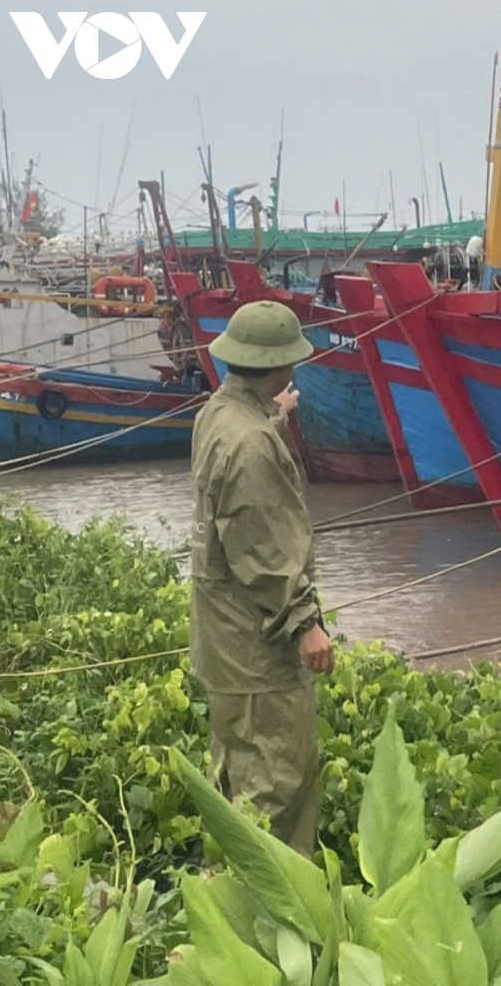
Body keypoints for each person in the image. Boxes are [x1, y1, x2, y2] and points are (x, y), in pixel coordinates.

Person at [189, 299, 335, 855]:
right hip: (259, 650)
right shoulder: (251, 445)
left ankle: (232, 900)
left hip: (224, 643)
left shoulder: (220, 414)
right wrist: (306, 625)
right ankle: (273, 923)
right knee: (277, 786)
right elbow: (264, 552)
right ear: (281, 365)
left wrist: (277, 415)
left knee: (238, 775)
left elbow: (241, 463)